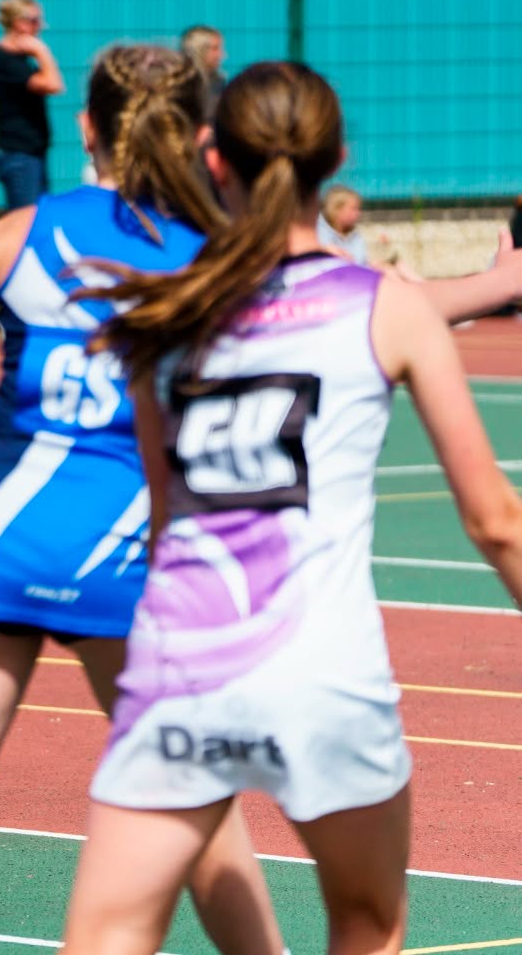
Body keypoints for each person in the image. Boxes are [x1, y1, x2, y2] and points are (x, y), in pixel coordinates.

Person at [0, 46, 284, 955]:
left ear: (85, 128)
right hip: (129, 549)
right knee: (198, 807)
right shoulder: (222, 254)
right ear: (202, 138)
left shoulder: (26, 230)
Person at [59, 60, 522, 954]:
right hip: (323, 669)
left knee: (108, 934)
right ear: (338, 158)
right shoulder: (387, 306)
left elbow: (168, 521)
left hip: (183, 662)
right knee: (365, 923)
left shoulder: (165, 314)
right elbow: (495, 520)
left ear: (212, 157)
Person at [0, 0, 64, 210]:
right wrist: (42, 51)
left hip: (31, 154)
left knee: (37, 221)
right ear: (19, 23)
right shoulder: (6, 60)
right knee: (26, 225)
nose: (40, 26)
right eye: (34, 20)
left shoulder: (18, 60)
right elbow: (54, 84)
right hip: (19, 156)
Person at [181, 24, 227, 114]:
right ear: (198, 49)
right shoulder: (180, 83)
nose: (222, 55)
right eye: (215, 48)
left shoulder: (218, 81)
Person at [318, 184, 368, 264]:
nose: (358, 213)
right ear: (336, 209)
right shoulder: (316, 233)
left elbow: (361, 263)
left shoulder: (355, 236)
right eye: (353, 209)